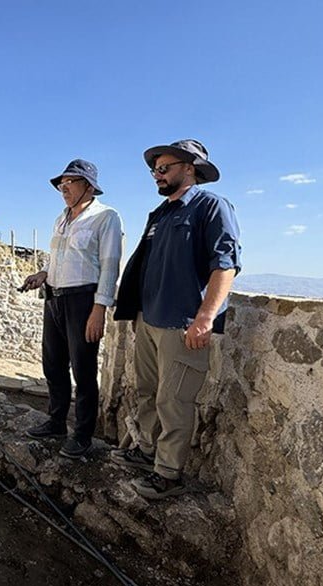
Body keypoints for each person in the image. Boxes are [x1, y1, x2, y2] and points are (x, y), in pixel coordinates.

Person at [110, 139, 241, 499]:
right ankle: (146, 452)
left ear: (189, 168)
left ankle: (167, 475)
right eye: (155, 169)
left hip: (183, 325)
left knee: (174, 401)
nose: (157, 174)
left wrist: (204, 319)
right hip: (150, 320)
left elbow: (225, 265)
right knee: (148, 393)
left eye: (164, 168)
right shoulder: (162, 213)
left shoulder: (210, 206)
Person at [20, 160, 124, 460]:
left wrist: (99, 308)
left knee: (83, 369)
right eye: (61, 184)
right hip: (54, 298)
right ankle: (55, 422)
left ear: (88, 187)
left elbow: (109, 264)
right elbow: (57, 258)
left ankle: (82, 435)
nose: (63, 188)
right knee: (52, 364)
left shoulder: (106, 217)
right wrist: (43, 273)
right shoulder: (61, 219)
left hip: (83, 300)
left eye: (70, 183)